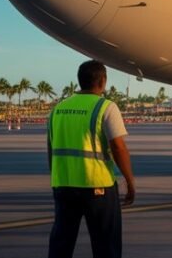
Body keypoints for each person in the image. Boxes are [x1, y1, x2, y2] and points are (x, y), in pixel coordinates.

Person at [48, 60, 136, 258]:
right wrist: (130, 181)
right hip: (98, 186)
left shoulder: (58, 109)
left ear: (80, 81)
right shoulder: (106, 107)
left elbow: (51, 150)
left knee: (61, 244)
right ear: (102, 81)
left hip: (63, 185)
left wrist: (56, 180)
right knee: (106, 246)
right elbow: (118, 147)